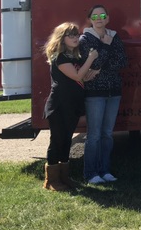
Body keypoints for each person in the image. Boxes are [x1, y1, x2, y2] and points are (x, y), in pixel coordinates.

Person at [42, 22, 99, 191]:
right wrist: (91, 58)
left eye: (76, 35)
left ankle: (64, 177)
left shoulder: (74, 57)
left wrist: (92, 72)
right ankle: (51, 181)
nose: (75, 38)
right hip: (59, 105)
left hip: (72, 104)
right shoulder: (60, 57)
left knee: (67, 140)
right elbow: (77, 76)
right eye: (71, 35)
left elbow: (81, 78)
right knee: (57, 140)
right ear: (62, 38)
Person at [79, 5, 127, 185]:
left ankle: (105, 170)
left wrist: (98, 69)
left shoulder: (114, 36)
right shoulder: (85, 39)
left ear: (107, 18)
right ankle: (90, 173)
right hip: (94, 93)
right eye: (95, 16)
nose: (98, 18)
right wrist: (106, 46)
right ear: (90, 19)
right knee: (94, 135)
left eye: (102, 15)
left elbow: (122, 61)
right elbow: (91, 62)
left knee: (107, 134)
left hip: (114, 91)